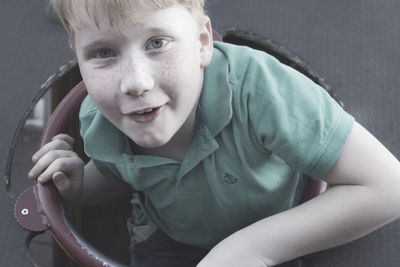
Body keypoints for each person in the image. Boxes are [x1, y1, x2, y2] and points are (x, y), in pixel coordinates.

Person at [28, 0, 400, 266]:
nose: (135, 83)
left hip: (275, 231)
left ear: (203, 42)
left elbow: (387, 187)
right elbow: (123, 175)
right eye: (103, 53)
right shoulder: (101, 120)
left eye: (157, 42)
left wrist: (250, 251)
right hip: (168, 239)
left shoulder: (264, 93)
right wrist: (79, 187)